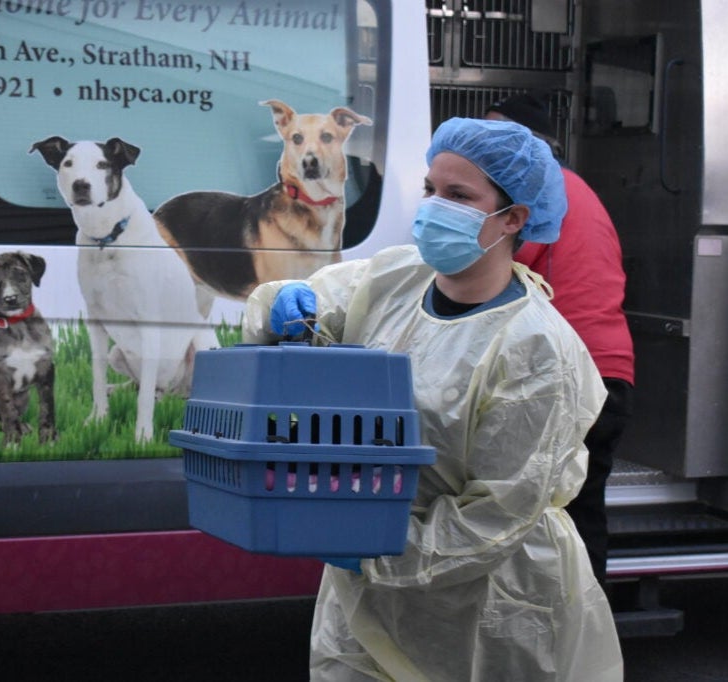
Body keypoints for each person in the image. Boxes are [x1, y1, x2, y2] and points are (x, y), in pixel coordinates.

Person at [242, 117, 623, 681]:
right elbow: (298, 302)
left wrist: (375, 551)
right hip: (365, 601)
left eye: (459, 196)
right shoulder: (397, 276)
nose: (434, 207)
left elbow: (495, 515)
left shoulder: (536, 349)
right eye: (430, 190)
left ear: (514, 218)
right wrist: (279, 304)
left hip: (484, 610)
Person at [486, 93, 635, 586]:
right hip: (605, 370)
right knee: (580, 512)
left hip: (573, 375)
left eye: (496, 138)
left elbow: (489, 270)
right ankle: (585, 641)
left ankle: (571, 642)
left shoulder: (540, 194)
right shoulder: (576, 188)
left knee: (552, 519)